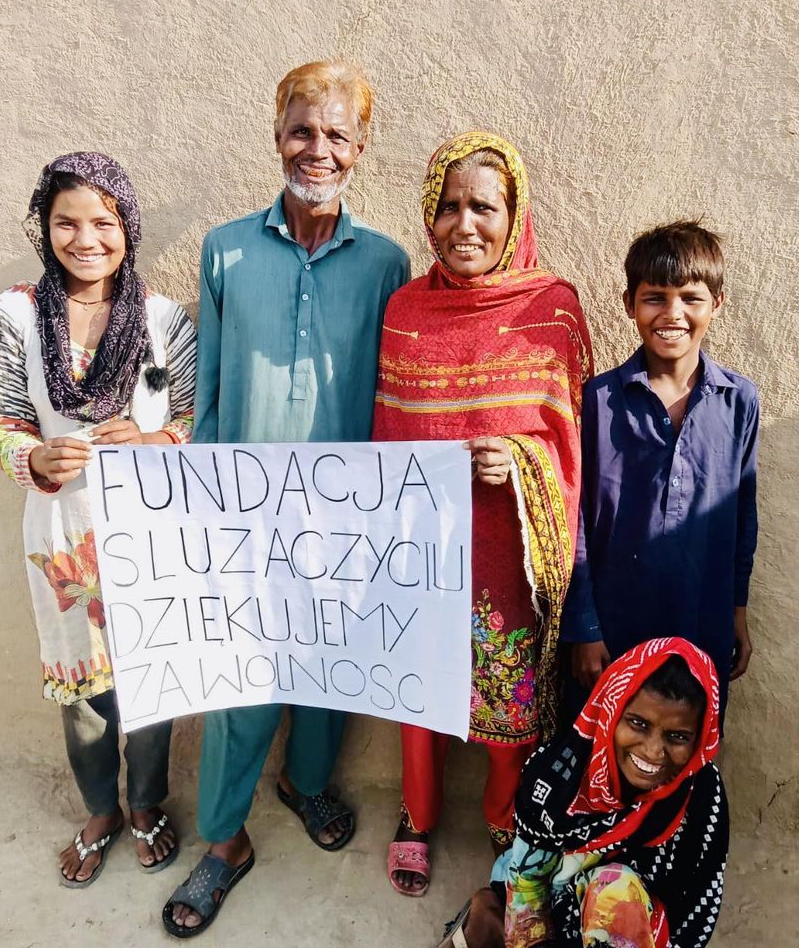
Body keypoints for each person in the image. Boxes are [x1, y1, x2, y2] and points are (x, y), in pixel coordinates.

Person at [163, 60, 410, 937]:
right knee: (240, 681)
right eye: (303, 130)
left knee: (331, 667)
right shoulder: (226, 249)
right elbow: (210, 388)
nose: (318, 148)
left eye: (337, 133)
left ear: (360, 149)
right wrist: (199, 498)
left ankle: (306, 784)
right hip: (243, 513)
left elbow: (393, 391)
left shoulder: (386, 262)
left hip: (348, 514)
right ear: (277, 137)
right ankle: (224, 839)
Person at [373, 131, 593, 897]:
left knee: (512, 696)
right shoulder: (405, 311)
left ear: (514, 215)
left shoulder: (552, 310)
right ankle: (416, 817)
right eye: (450, 206)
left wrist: (522, 462)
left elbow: (574, 442)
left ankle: (506, 817)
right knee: (417, 692)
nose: (465, 225)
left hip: (509, 553)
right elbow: (386, 436)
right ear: (429, 216)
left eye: (484, 208)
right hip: (424, 554)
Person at [0, 151, 197, 886]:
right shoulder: (17, 314)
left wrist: (157, 438)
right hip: (63, 534)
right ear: (44, 228)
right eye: (65, 222)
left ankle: (145, 802)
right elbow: (2, 420)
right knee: (82, 686)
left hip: (152, 534)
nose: (85, 239)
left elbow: (195, 417)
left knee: (153, 679)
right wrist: (33, 457)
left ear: (127, 227)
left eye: (102, 222)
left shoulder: (164, 321)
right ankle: (101, 808)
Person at [560, 221, 759, 721]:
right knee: (607, 748)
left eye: (691, 298)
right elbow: (574, 521)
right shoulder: (597, 401)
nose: (672, 314)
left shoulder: (739, 402)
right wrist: (583, 626)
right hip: (613, 630)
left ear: (717, 303)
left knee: (686, 748)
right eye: (655, 298)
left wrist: (736, 610)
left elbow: (743, 519)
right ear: (630, 304)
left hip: (702, 622)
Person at [440, 638, 729, 948]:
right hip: (556, 907)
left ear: (700, 737)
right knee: (598, 891)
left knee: (615, 890)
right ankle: (486, 917)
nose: (653, 751)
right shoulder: (558, 778)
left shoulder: (701, 790)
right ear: (612, 711)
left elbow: (696, 902)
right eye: (638, 723)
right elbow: (528, 885)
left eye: (677, 736)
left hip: (641, 928)